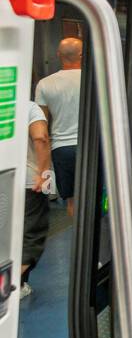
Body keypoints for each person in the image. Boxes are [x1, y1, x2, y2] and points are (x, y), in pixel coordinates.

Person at [35, 37, 83, 217]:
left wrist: (43, 167)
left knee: (72, 201)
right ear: (82, 55)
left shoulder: (44, 84)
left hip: (61, 149)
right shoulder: (96, 80)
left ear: (58, 55)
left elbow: (41, 126)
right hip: (92, 148)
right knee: (96, 195)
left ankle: (78, 239)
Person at [20, 101, 54, 299]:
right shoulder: (29, 107)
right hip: (29, 182)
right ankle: (10, 286)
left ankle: (20, 283)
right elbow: (40, 137)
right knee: (32, 236)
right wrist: (43, 174)